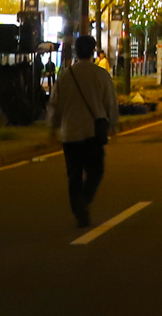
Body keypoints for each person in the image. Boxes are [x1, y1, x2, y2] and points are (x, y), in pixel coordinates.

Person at [49, 34, 119, 227]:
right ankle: (83, 202)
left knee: (74, 174)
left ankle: (78, 205)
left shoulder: (65, 75)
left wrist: (53, 128)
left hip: (69, 132)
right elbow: (110, 103)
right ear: (93, 51)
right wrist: (113, 124)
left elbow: (55, 104)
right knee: (96, 171)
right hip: (92, 133)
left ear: (76, 52)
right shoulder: (101, 75)